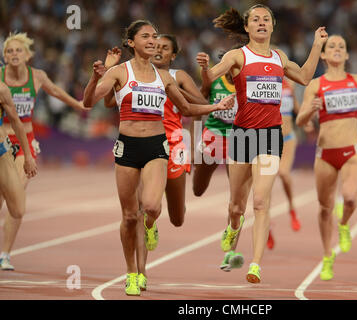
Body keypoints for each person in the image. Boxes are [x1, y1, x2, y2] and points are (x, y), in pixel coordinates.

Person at [82, 20, 234, 296]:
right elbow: (89, 102)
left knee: (151, 206)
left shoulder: (164, 77)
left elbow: (187, 106)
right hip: (127, 147)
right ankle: (132, 273)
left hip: (157, 145)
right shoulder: (119, 72)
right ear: (131, 42)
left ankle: (151, 225)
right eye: (146, 37)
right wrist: (95, 77)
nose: (153, 41)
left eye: (155, 37)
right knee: (129, 216)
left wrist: (217, 105)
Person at [198, 4, 328, 283]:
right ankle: (233, 228)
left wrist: (316, 45)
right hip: (242, 135)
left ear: (272, 26)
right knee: (236, 205)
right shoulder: (237, 55)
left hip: (270, 135)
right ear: (246, 27)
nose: (261, 23)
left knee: (260, 201)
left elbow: (305, 76)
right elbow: (210, 79)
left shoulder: (279, 57)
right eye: (255, 19)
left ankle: (255, 264)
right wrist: (205, 69)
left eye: (265, 19)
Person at [296, 35, 357, 281]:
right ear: (323, 55)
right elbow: (301, 121)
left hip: (352, 151)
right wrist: (311, 109)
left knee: (350, 198)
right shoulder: (316, 85)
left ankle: (344, 224)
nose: (337, 49)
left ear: (347, 55)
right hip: (326, 154)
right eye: (332, 46)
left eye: (342, 46)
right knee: (324, 207)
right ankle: (327, 255)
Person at [0, 32, 84, 270]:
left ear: (27, 55)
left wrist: (78, 104)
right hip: (3, 140)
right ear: (4, 56)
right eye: (9, 51)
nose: (14, 55)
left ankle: (5, 254)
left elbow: (56, 92)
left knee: (16, 194)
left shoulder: (37, 76)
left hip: (25, 140)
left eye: (18, 51)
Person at [194, 47, 247, 272]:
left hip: (239, 139)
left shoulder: (248, 83)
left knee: (237, 201)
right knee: (198, 189)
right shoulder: (213, 81)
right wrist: (194, 142)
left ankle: (230, 252)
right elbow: (196, 106)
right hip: (213, 138)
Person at [0, 81, 37, 270]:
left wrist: (28, 155)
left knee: (18, 209)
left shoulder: (2, 89)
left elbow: (16, 121)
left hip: (2, 151)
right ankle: (4, 254)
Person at [267, 77, 302, 250]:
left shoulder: (290, 84)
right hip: (268, 140)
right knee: (265, 185)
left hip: (288, 138)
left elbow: (296, 108)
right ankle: (267, 225)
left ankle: (292, 208)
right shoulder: (263, 83)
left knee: (283, 173)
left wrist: (306, 118)